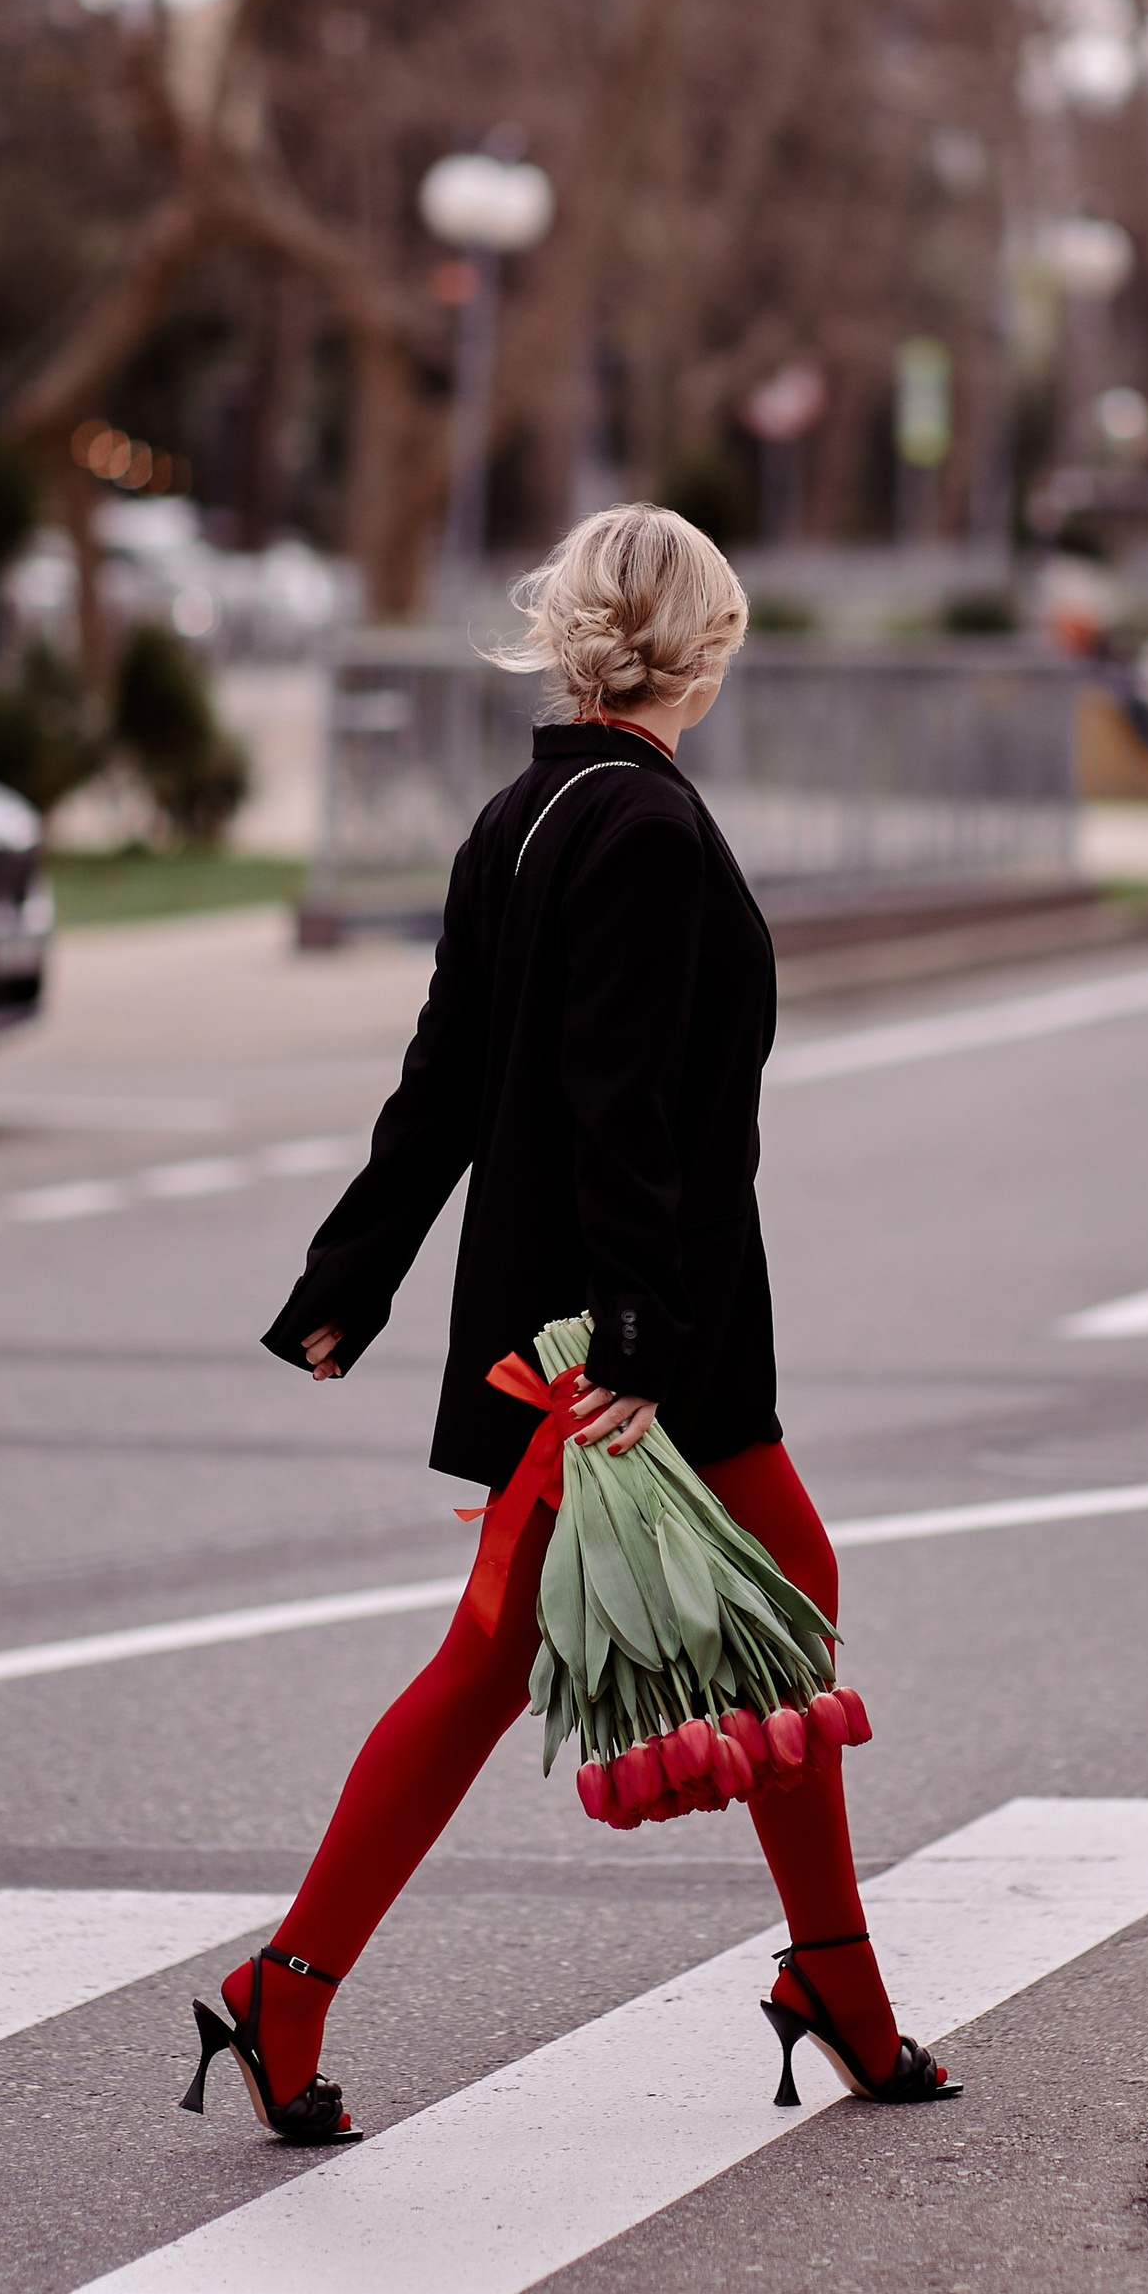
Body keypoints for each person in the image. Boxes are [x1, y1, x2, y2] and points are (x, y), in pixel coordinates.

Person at [182, 501, 954, 2145]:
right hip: (626, 1330)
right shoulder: (650, 831)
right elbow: (623, 1109)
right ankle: (288, 1984)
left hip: (598, 1310)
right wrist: (637, 1340)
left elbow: (444, 1080)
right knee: (530, 1651)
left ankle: (833, 1978)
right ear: (711, 649)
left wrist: (351, 1275)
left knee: (725, 1614)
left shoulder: (520, 816)